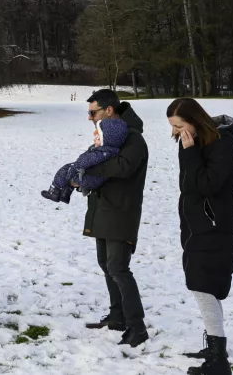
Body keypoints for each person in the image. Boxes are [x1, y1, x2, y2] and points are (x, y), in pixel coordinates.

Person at [167, 98, 233, 375]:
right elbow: (188, 185)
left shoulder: (221, 144)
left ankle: (218, 361)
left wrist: (190, 153)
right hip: (196, 225)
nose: (175, 132)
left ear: (194, 121)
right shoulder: (192, 142)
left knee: (202, 286)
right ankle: (215, 348)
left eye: (178, 126)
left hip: (213, 228)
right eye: (173, 126)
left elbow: (206, 185)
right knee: (203, 284)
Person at [77, 89, 149, 348]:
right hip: (102, 208)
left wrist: (90, 167)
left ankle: (137, 327)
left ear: (109, 110)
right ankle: (118, 317)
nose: (89, 118)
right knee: (106, 264)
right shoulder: (107, 135)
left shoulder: (133, 137)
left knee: (118, 267)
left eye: (92, 112)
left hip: (121, 211)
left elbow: (123, 167)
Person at [42, 119, 128, 204]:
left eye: (98, 137)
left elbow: (84, 161)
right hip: (94, 179)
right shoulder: (112, 152)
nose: (94, 139)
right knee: (69, 174)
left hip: (89, 179)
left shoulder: (101, 153)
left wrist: (74, 168)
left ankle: (54, 191)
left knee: (65, 170)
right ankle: (65, 194)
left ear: (107, 140)